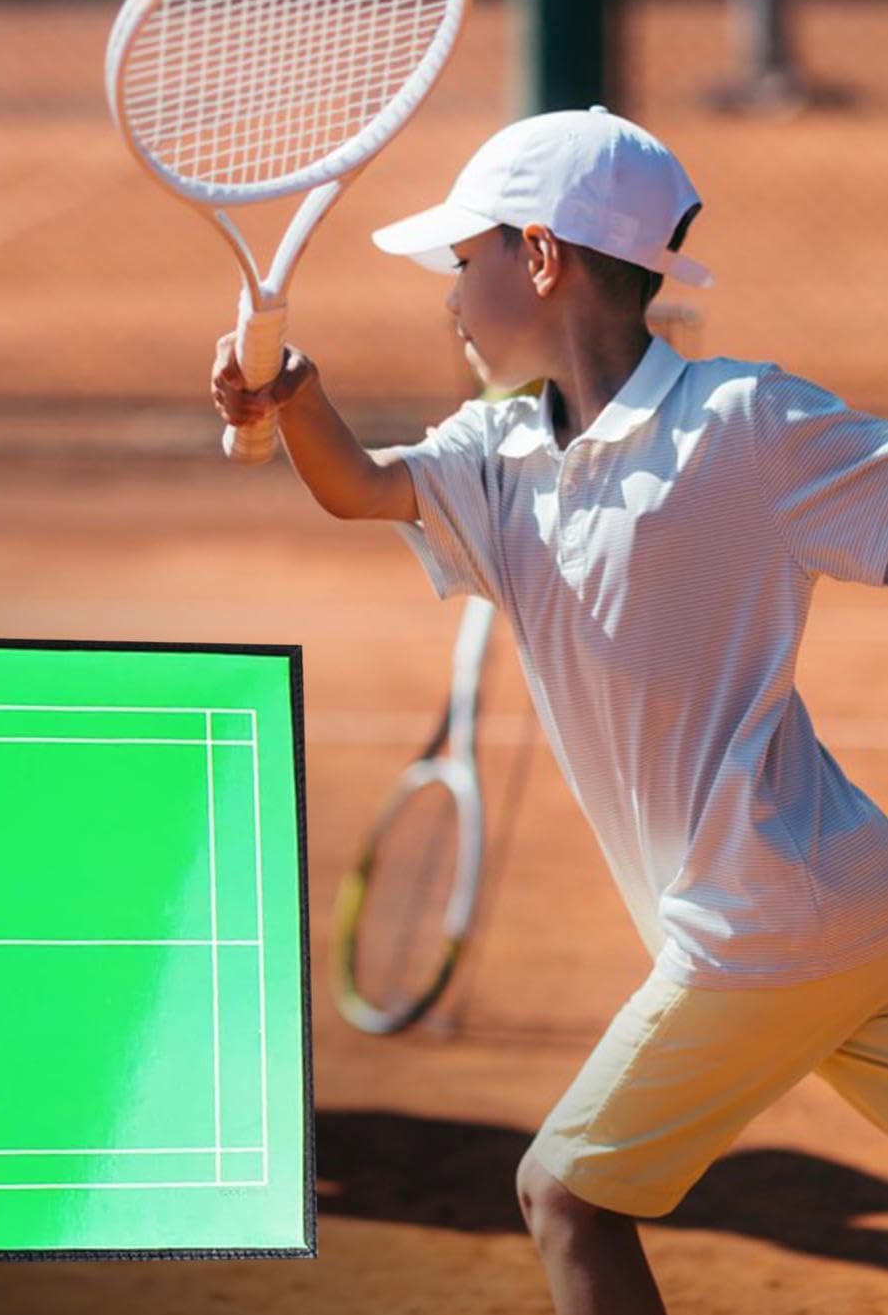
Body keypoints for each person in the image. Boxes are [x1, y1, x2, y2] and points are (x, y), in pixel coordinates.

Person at [212, 106, 888, 1314]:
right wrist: (289, 391)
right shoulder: (496, 449)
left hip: (757, 924)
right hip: (845, 902)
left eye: (460, 263)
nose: (446, 297)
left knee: (563, 1196)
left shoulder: (743, 425)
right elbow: (361, 486)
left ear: (538, 258)